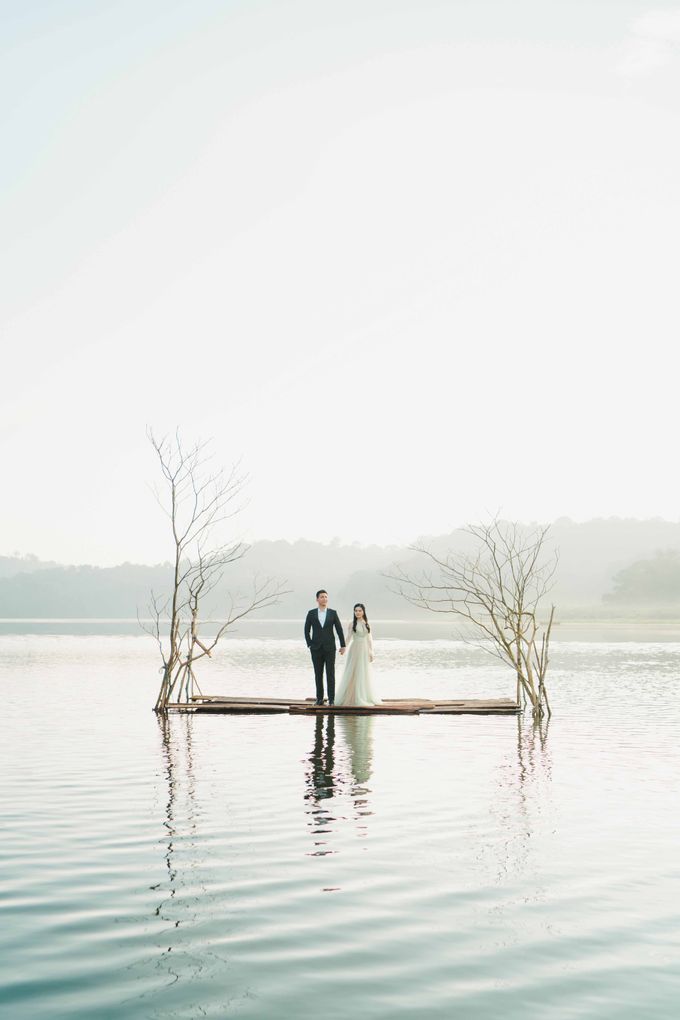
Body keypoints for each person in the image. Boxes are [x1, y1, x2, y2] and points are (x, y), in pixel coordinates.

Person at [304, 590, 346, 706]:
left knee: (330, 674)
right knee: (318, 674)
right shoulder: (311, 613)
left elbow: (339, 630)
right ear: (317, 599)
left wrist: (343, 645)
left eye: (326, 597)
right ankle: (319, 699)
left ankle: (332, 699)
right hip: (316, 648)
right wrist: (310, 644)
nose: (324, 599)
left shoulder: (333, 613)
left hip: (330, 648)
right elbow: (306, 630)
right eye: (322, 597)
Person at [335, 603, 381, 707]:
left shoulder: (367, 624)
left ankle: (364, 696)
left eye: (360, 611)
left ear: (363, 612)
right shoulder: (352, 624)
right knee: (354, 672)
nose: (357, 612)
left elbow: (369, 639)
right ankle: (351, 696)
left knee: (363, 672)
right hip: (355, 649)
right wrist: (343, 647)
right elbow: (349, 637)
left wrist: (371, 652)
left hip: (364, 650)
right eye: (356, 611)